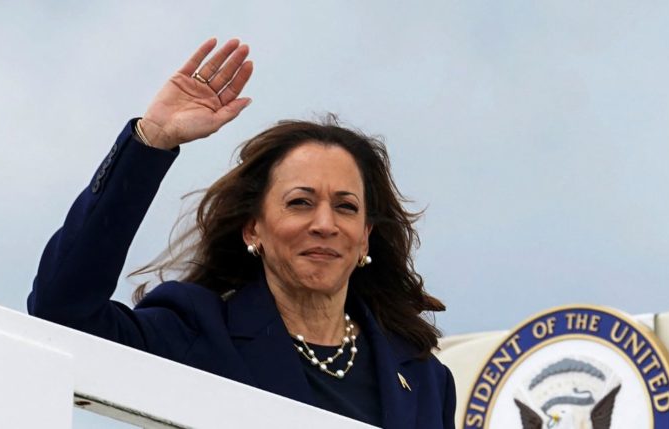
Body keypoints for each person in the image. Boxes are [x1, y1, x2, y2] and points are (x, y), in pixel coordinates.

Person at [28, 38, 456, 428]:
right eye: (300, 202)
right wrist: (150, 144)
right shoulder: (198, 333)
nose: (324, 225)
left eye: (345, 207)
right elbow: (63, 312)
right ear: (254, 229)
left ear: (364, 238)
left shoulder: (425, 378)